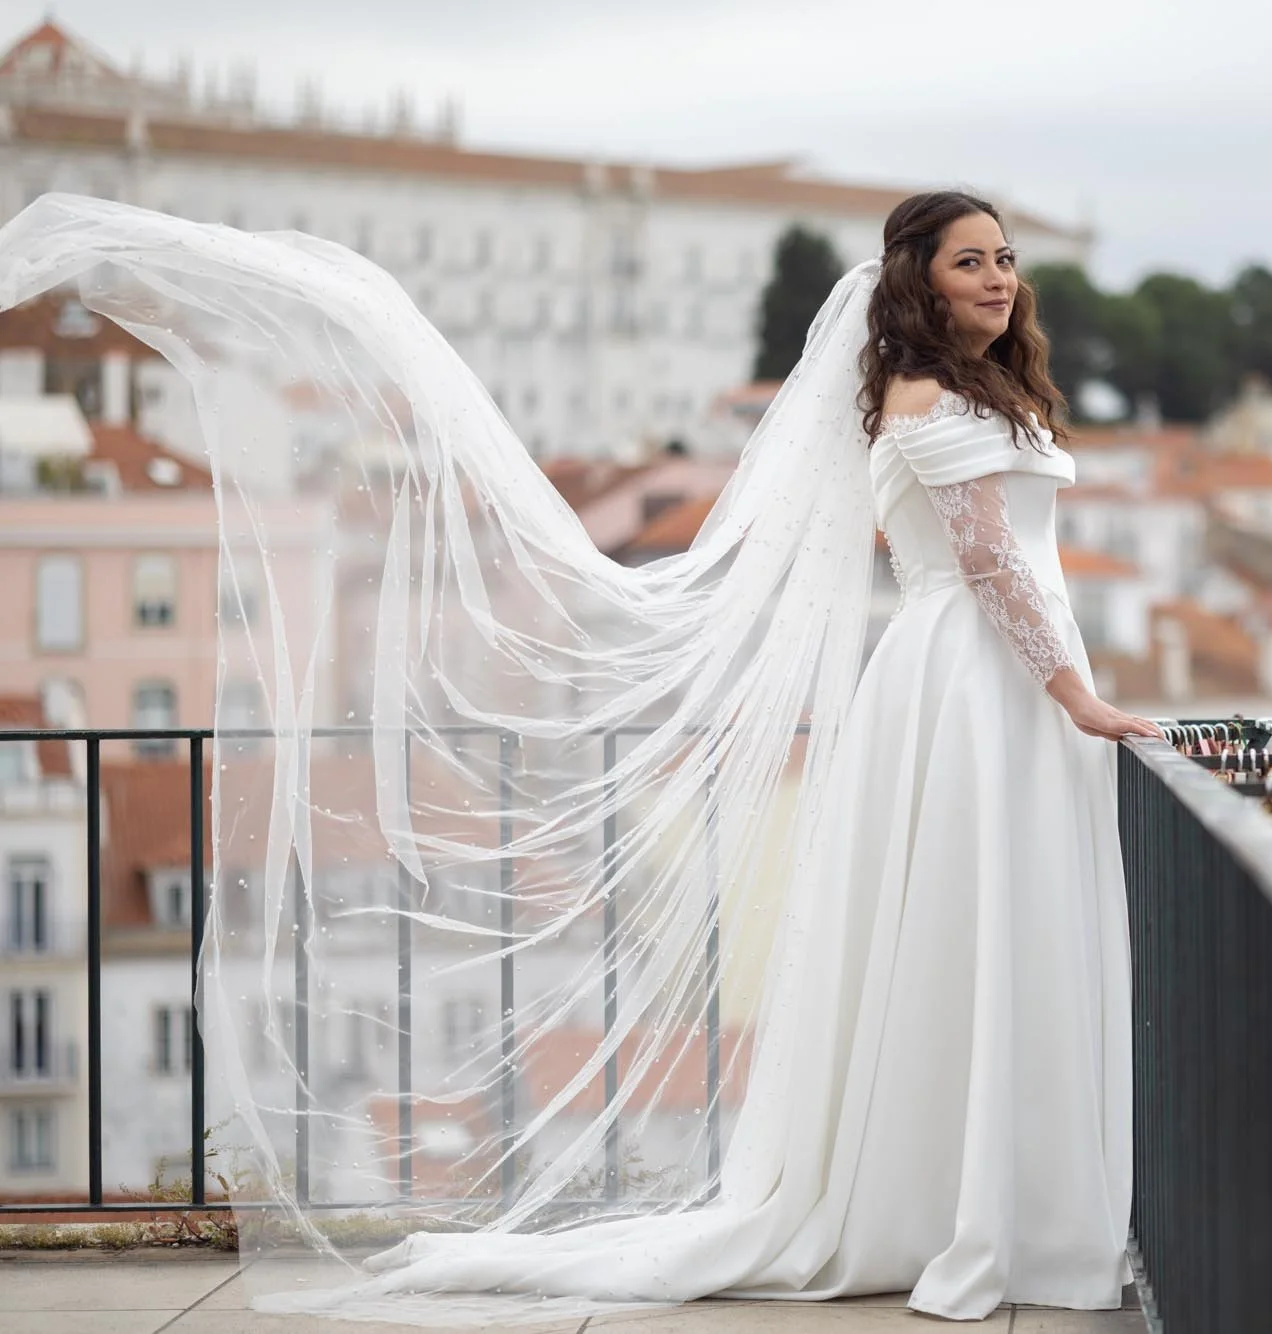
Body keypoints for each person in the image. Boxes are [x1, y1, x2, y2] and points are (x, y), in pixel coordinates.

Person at [0, 187, 1159, 1324]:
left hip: (986, 680)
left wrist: (1066, 691)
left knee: (986, 930)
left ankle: (998, 1196)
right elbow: (995, 566)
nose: (999, 276)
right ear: (919, 280)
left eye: (1005, 257)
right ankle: (980, 1206)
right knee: (974, 926)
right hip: (973, 679)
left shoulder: (977, 395)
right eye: (970, 261)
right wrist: (1081, 696)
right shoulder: (922, 400)